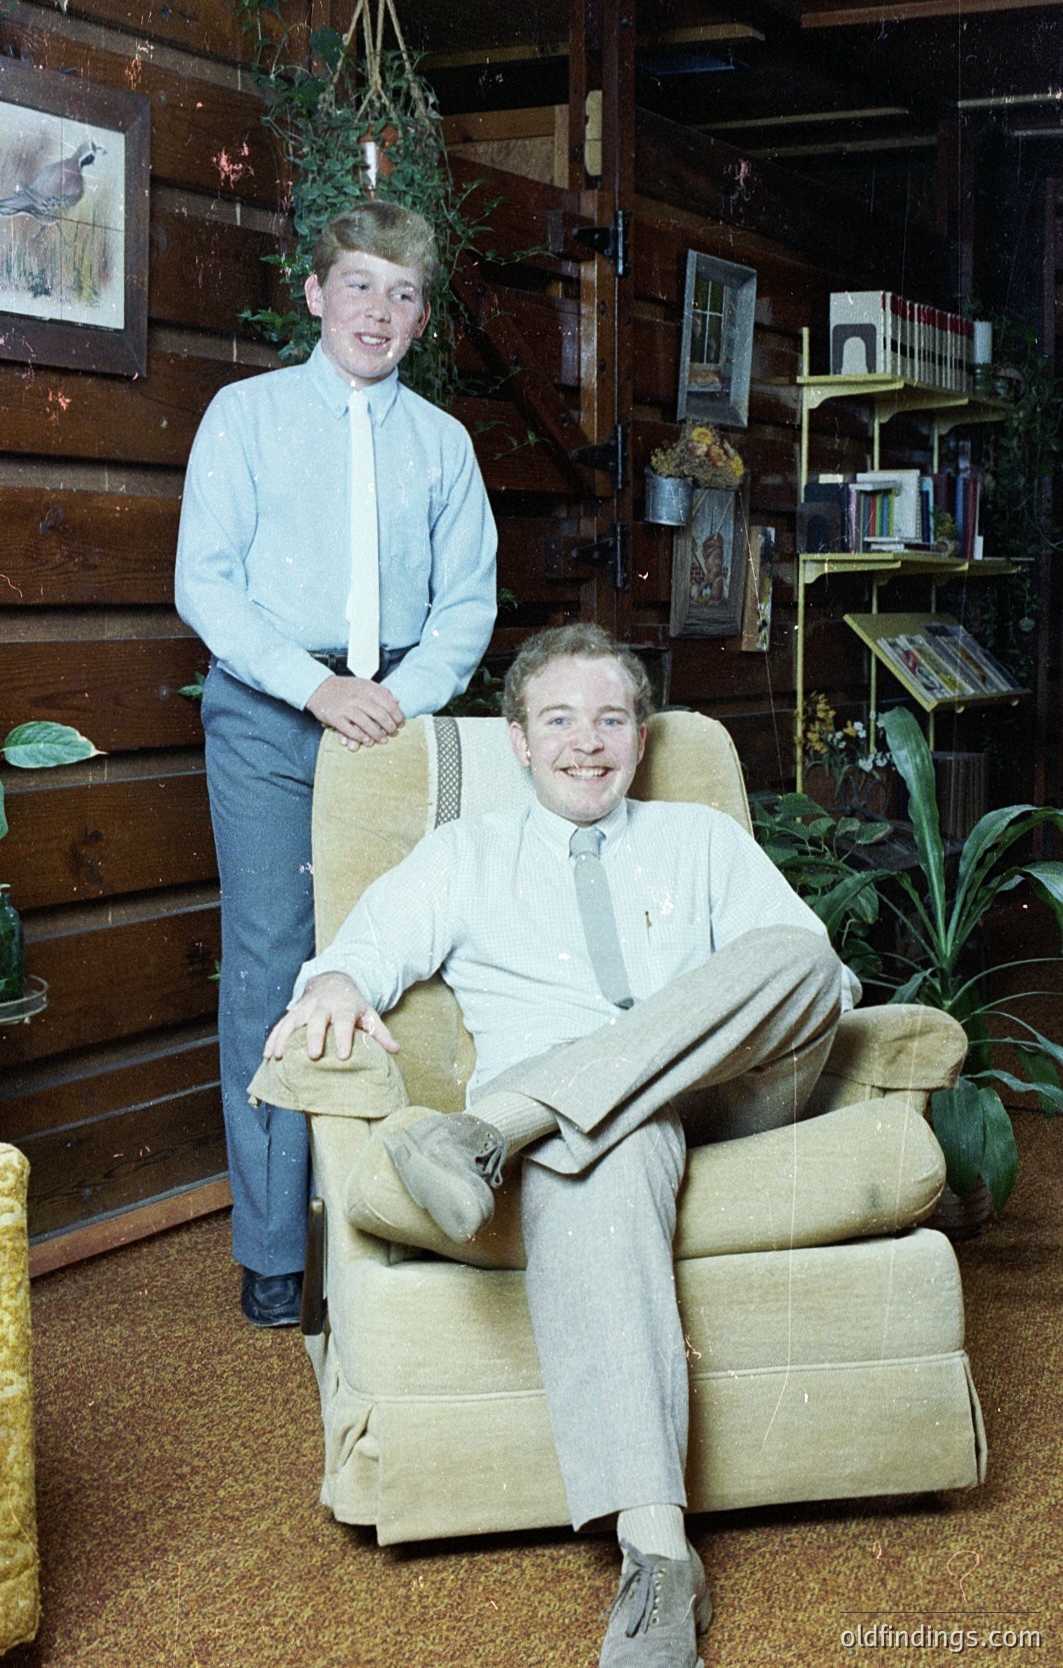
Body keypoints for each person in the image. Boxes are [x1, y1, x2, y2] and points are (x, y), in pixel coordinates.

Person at [265, 623, 855, 1667]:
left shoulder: (699, 839)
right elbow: (359, 951)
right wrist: (336, 986)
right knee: (604, 1150)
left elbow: (810, 981)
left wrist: (540, 1103)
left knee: (802, 960)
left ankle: (494, 1132)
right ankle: (658, 1561)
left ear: (637, 738)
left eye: (611, 720)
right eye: (559, 720)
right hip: (603, 1141)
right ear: (519, 743)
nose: (587, 743)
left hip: (716, 1093)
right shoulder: (463, 855)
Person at [175, 201, 497, 1328]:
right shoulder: (244, 416)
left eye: (403, 294)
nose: (379, 311)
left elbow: (466, 608)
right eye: (358, 284)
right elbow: (205, 583)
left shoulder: (442, 446)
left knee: (398, 954)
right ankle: (273, 1248)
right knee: (270, 964)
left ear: (420, 318)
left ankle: (395, 1216)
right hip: (270, 710)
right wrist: (314, 689)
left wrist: (390, 702)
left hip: (396, 719)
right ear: (313, 294)